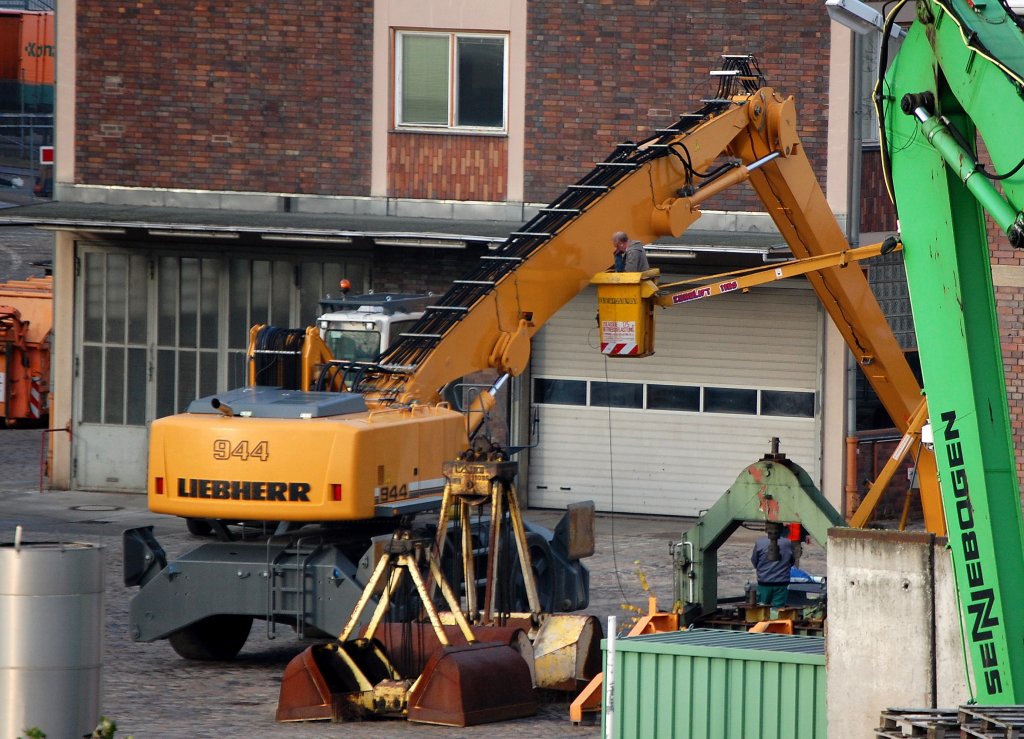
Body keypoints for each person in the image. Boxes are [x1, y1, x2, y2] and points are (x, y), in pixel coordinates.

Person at [751, 534, 794, 607]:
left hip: (764, 582)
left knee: (761, 608)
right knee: (778, 610)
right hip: (782, 583)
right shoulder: (788, 543)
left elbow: (754, 560)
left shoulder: (760, 543)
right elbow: (792, 561)